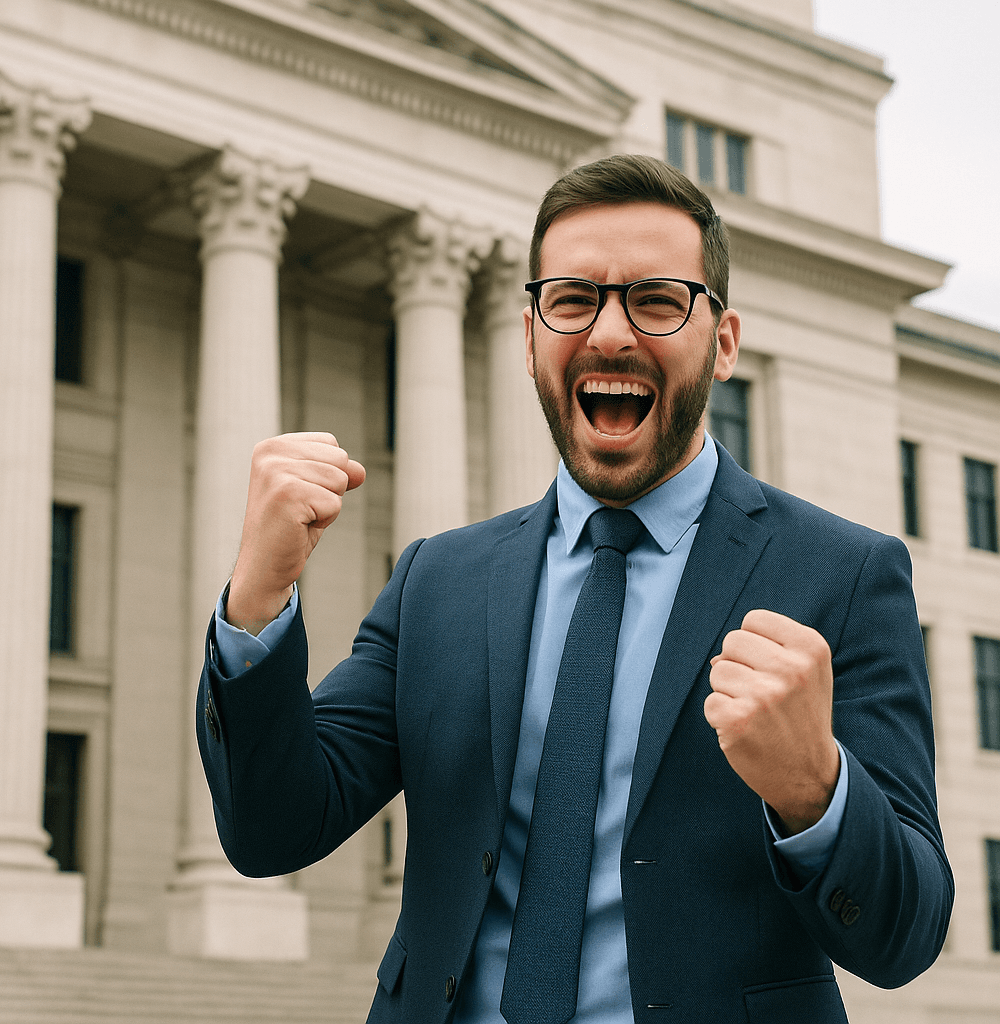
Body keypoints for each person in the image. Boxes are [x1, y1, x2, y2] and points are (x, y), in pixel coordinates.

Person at [197, 154, 953, 1024]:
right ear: (529, 338)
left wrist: (815, 790)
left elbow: (906, 936)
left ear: (725, 342)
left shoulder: (844, 575)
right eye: (572, 300)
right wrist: (254, 603)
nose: (609, 334)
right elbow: (272, 831)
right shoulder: (436, 580)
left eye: (658, 300)